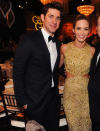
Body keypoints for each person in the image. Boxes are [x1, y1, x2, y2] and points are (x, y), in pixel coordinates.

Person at [13, 2, 63, 131]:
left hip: (53, 100)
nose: (54, 21)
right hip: (34, 101)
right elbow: (18, 72)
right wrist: (23, 102)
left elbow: (54, 69)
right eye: (51, 16)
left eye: (58, 18)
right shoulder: (29, 40)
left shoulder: (58, 43)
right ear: (42, 17)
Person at [59, 14, 95, 131]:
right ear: (73, 30)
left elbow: (96, 73)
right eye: (78, 28)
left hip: (86, 94)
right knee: (74, 127)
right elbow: (56, 67)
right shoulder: (64, 48)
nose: (82, 32)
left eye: (85, 29)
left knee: (87, 126)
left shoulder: (92, 50)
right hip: (70, 94)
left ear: (89, 31)